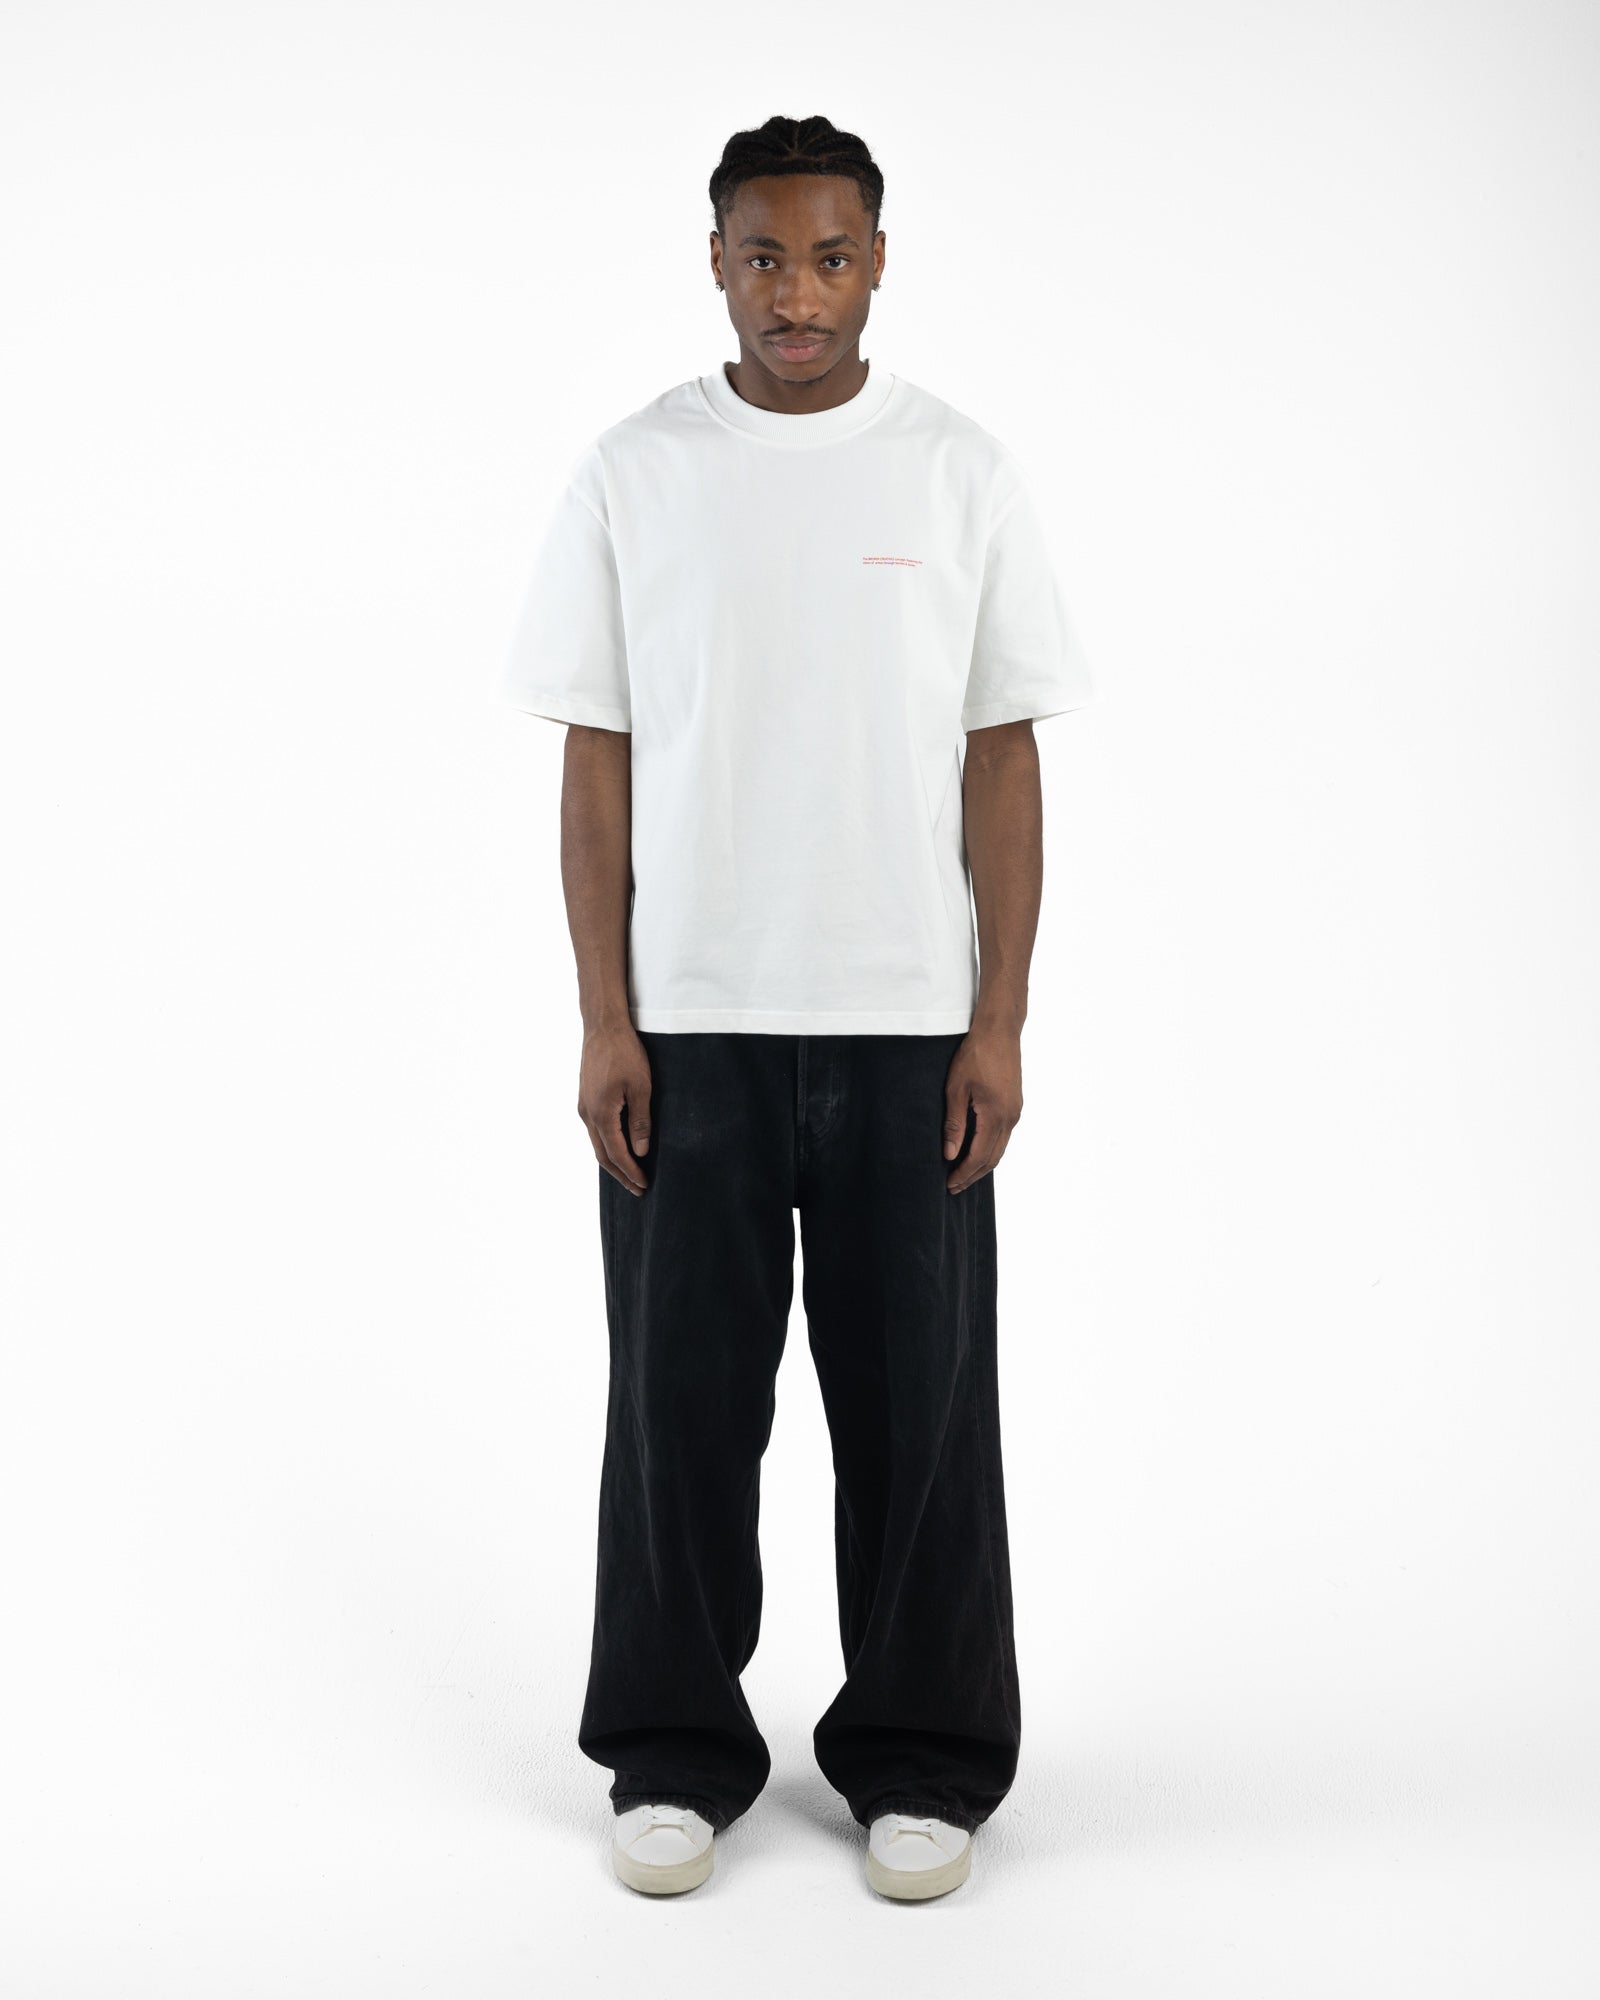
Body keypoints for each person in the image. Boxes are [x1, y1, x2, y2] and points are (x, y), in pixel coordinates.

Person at [498, 113, 1097, 1902]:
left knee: (922, 1416)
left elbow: (1003, 757)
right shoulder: (636, 472)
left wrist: (999, 1021)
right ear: (716, 262)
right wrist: (604, 1017)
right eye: (764, 257)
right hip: (691, 1023)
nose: (798, 294)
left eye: (831, 257)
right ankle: (672, 1750)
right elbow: (597, 761)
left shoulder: (957, 472)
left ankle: (925, 1760)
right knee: (678, 1412)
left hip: (910, 1023)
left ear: (879, 262)